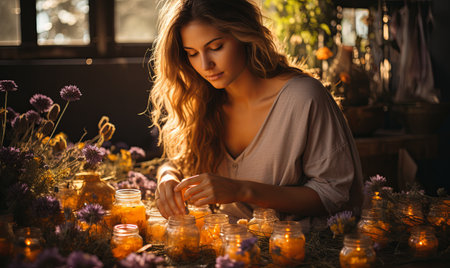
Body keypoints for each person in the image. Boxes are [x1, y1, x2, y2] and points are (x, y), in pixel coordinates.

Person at [148, 0, 364, 229]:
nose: (205, 65)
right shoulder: (204, 102)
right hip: (227, 249)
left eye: (216, 47)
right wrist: (167, 176)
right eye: (192, 53)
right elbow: (183, 163)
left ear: (244, 35)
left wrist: (242, 190)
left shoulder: (304, 98)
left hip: (297, 251)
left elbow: (333, 194)